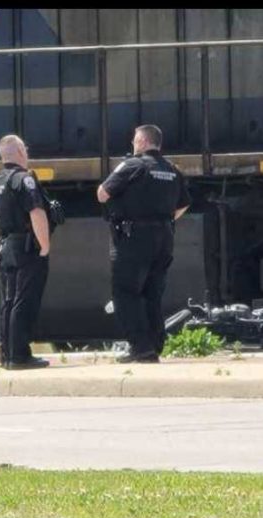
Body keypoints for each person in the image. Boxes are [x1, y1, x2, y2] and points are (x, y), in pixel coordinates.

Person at [97, 125, 191, 363]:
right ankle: (155, 345)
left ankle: (140, 347)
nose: (132, 143)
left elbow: (102, 194)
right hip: (164, 237)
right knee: (153, 293)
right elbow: (184, 204)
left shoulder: (132, 165)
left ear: (141, 140)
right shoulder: (172, 169)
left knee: (125, 292)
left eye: (134, 140)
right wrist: (165, 220)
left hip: (133, 237)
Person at [0, 135, 53, 370]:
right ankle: (19, 355)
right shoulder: (23, 180)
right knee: (24, 301)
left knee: (7, 301)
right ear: (18, 151)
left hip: (5, 244)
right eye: (24, 149)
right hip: (26, 247)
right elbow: (36, 212)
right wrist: (44, 246)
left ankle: (5, 355)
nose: (26, 152)